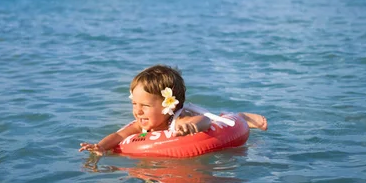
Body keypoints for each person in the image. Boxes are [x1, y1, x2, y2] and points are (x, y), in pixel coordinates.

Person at [79, 64, 267, 156]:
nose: (138, 111)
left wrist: (192, 127)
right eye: (134, 104)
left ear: (169, 106)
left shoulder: (179, 119)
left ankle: (242, 116)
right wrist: (101, 146)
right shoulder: (140, 124)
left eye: (145, 106)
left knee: (224, 118)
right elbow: (119, 136)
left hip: (212, 122)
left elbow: (205, 121)